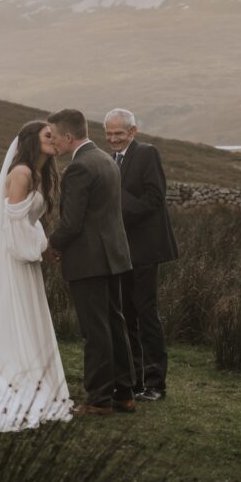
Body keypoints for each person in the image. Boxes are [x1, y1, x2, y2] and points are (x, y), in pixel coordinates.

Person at [0, 121, 74, 433]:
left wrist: (44, 247)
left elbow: (30, 223)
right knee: (14, 317)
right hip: (12, 259)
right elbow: (14, 227)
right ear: (32, 141)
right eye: (48, 136)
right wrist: (42, 251)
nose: (55, 139)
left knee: (30, 317)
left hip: (26, 257)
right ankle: (15, 383)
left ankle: (34, 380)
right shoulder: (20, 173)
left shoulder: (39, 175)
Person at [45, 109, 135, 416]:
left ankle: (98, 400)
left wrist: (53, 246)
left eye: (54, 137)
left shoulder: (79, 167)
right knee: (114, 324)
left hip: (89, 259)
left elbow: (71, 223)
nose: (53, 143)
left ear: (69, 137)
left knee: (95, 330)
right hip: (113, 256)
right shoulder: (105, 159)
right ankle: (124, 393)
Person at [104, 108, 178, 402]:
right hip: (121, 252)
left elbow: (154, 199)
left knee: (146, 315)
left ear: (132, 132)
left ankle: (156, 384)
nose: (113, 139)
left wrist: (115, 195)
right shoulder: (110, 160)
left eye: (118, 134)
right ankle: (132, 381)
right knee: (126, 316)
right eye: (108, 134)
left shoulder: (147, 154)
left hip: (146, 250)